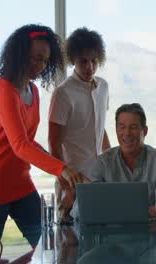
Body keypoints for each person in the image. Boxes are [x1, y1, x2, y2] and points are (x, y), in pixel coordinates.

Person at [0, 24, 86, 260]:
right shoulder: (3, 90)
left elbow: (29, 142)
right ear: (19, 55)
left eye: (45, 61)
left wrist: (61, 169)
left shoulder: (33, 91)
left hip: (21, 186)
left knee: (50, 245)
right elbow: (20, 145)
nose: (40, 67)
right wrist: (62, 169)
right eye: (35, 59)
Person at [74, 103, 156, 218]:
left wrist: (113, 211)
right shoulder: (103, 162)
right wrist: (147, 211)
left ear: (145, 131)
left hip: (153, 233)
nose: (127, 133)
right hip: (113, 234)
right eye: (122, 127)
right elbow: (79, 209)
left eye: (133, 127)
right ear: (116, 130)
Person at [49, 27, 110, 220]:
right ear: (72, 60)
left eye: (94, 61)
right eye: (83, 61)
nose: (89, 66)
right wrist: (66, 184)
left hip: (99, 180)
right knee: (69, 245)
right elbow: (54, 142)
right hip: (73, 181)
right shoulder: (63, 93)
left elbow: (100, 126)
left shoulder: (104, 87)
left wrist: (113, 167)